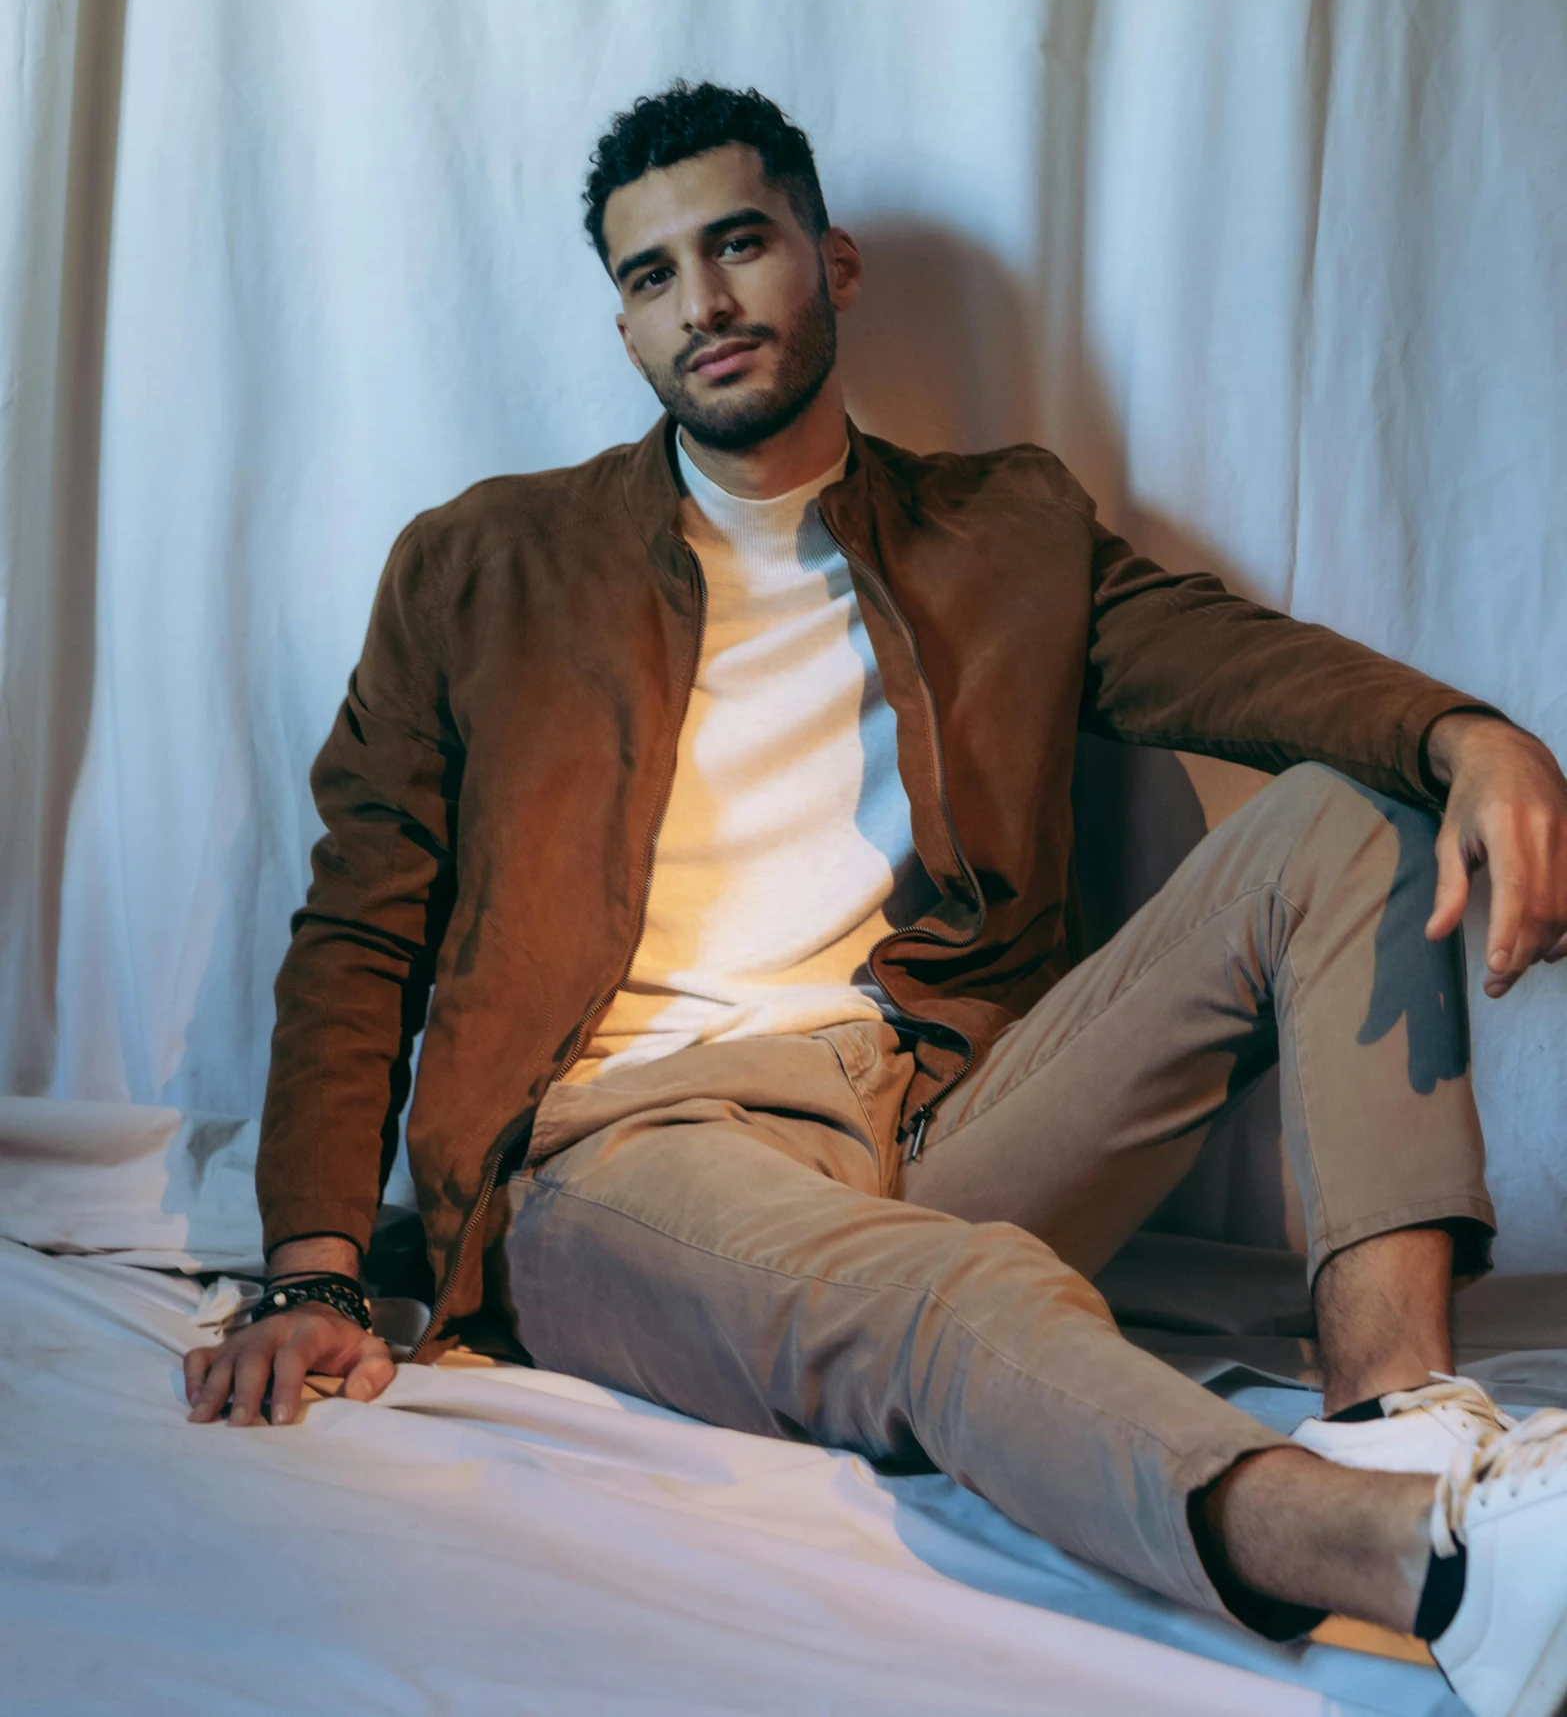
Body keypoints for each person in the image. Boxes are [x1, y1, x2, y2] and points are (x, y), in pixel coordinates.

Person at [188, 83, 1567, 1716]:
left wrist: (1467, 734)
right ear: (622, 326)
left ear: (827, 262)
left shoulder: (1004, 529)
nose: (699, 301)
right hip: (628, 1151)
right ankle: (1425, 1562)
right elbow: (359, 926)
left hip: (928, 1110)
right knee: (954, 1294)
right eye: (648, 276)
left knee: (1358, 811)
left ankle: (1401, 1419)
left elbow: (1232, 660)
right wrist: (315, 1263)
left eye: (737, 243)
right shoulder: (479, 564)